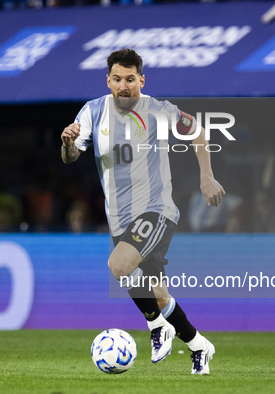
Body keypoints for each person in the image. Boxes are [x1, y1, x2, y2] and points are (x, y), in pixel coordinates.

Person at [60, 48, 225, 375]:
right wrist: (67, 143)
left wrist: (207, 176)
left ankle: (156, 327)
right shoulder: (92, 113)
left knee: (119, 265)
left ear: (141, 80)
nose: (124, 86)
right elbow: (71, 157)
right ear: (108, 81)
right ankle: (198, 346)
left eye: (130, 80)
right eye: (117, 79)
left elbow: (197, 131)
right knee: (160, 296)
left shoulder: (158, 110)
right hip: (120, 220)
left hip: (157, 210)